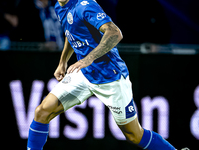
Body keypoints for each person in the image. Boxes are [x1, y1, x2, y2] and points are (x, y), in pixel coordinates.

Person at [27, 0, 189, 150]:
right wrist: (63, 61)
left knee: (134, 135)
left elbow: (115, 33)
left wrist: (89, 58)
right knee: (42, 111)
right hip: (84, 73)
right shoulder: (58, 6)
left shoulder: (85, 5)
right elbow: (71, 31)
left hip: (110, 77)